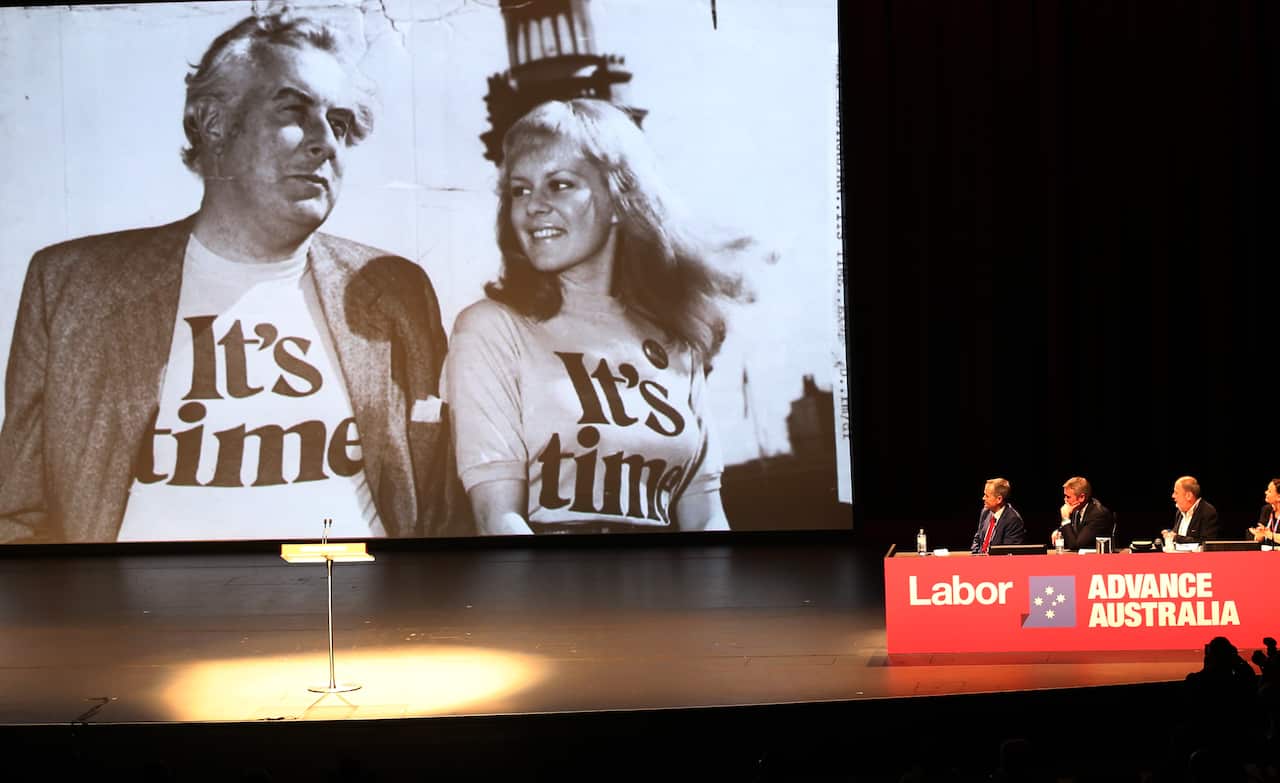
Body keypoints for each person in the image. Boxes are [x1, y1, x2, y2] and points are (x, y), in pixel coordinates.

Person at [0, 11, 468, 542]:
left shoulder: (397, 291)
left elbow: (442, 517)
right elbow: (18, 517)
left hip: (345, 591)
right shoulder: (72, 287)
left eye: (338, 123)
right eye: (293, 111)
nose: (326, 142)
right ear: (214, 124)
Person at [444, 99, 749, 535]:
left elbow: (706, 517)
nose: (533, 206)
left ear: (619, 201)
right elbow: (497, 520)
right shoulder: (491, 329)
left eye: (560, 185)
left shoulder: (675, 337)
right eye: (520, 190)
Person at [1051, 476, 1115, 551]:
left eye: (1068, 497)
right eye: (1065, 496)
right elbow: (1072, 531)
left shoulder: (1098, 514)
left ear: (1081, 497)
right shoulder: (1076, 509)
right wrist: (1059, 531)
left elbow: (1076, 545)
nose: (1065, 500)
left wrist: (1065, 519)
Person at [970, 477, 1026, 553]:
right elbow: (977, 539)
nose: (983, 498)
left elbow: (1008, 552)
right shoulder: (985, 512)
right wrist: (975, 555)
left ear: (999, 499)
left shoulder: (1013, 520)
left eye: (987, 496)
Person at [1162, 475, 1220, 546]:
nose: (1173, 496)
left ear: (1188, 496)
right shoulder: (1179, 512)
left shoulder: (1208, 512)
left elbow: (1206, 543)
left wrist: (1176, 537)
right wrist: (1169, 535)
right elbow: (1177, 537)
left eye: (1176, 493)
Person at [1248, 478, 1280, 544]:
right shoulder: (1266, 510)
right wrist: (1258, 535)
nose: (1266, 492)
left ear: (1279, 497)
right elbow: (1261, 538)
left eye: (1269, 491)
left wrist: (1268, 534)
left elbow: (1267, 534)